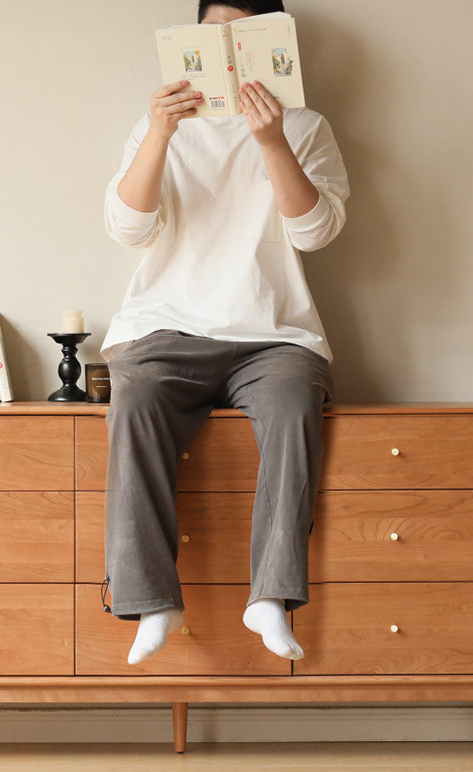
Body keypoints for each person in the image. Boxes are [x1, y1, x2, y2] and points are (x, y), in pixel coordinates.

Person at [101, 0, 349, 666]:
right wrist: (159, 134)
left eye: (247, 40)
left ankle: (272, 597)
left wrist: (271, 141)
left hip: (275, 334)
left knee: (295, 404)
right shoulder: (157, 125)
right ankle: (151, 601)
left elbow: (315, 232)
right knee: (134, 398)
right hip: (167, 327)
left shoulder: (306, 125)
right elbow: (128, 229)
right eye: (216, 39)